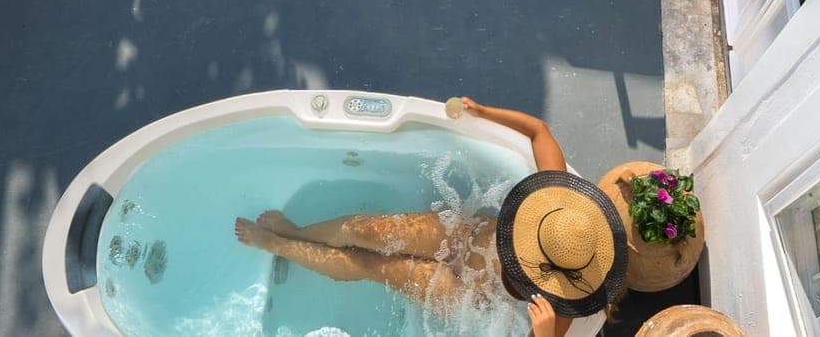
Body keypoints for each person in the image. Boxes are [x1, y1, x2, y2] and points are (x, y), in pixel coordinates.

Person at [235, 97, 627, 337]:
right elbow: (540, 132)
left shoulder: (564, 303)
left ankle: (278, 244)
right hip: (466, 236)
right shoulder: (556, 203)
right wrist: (483, 111)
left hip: (465, 293)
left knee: (372, 263)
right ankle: (297, 231)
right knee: (363, 229)